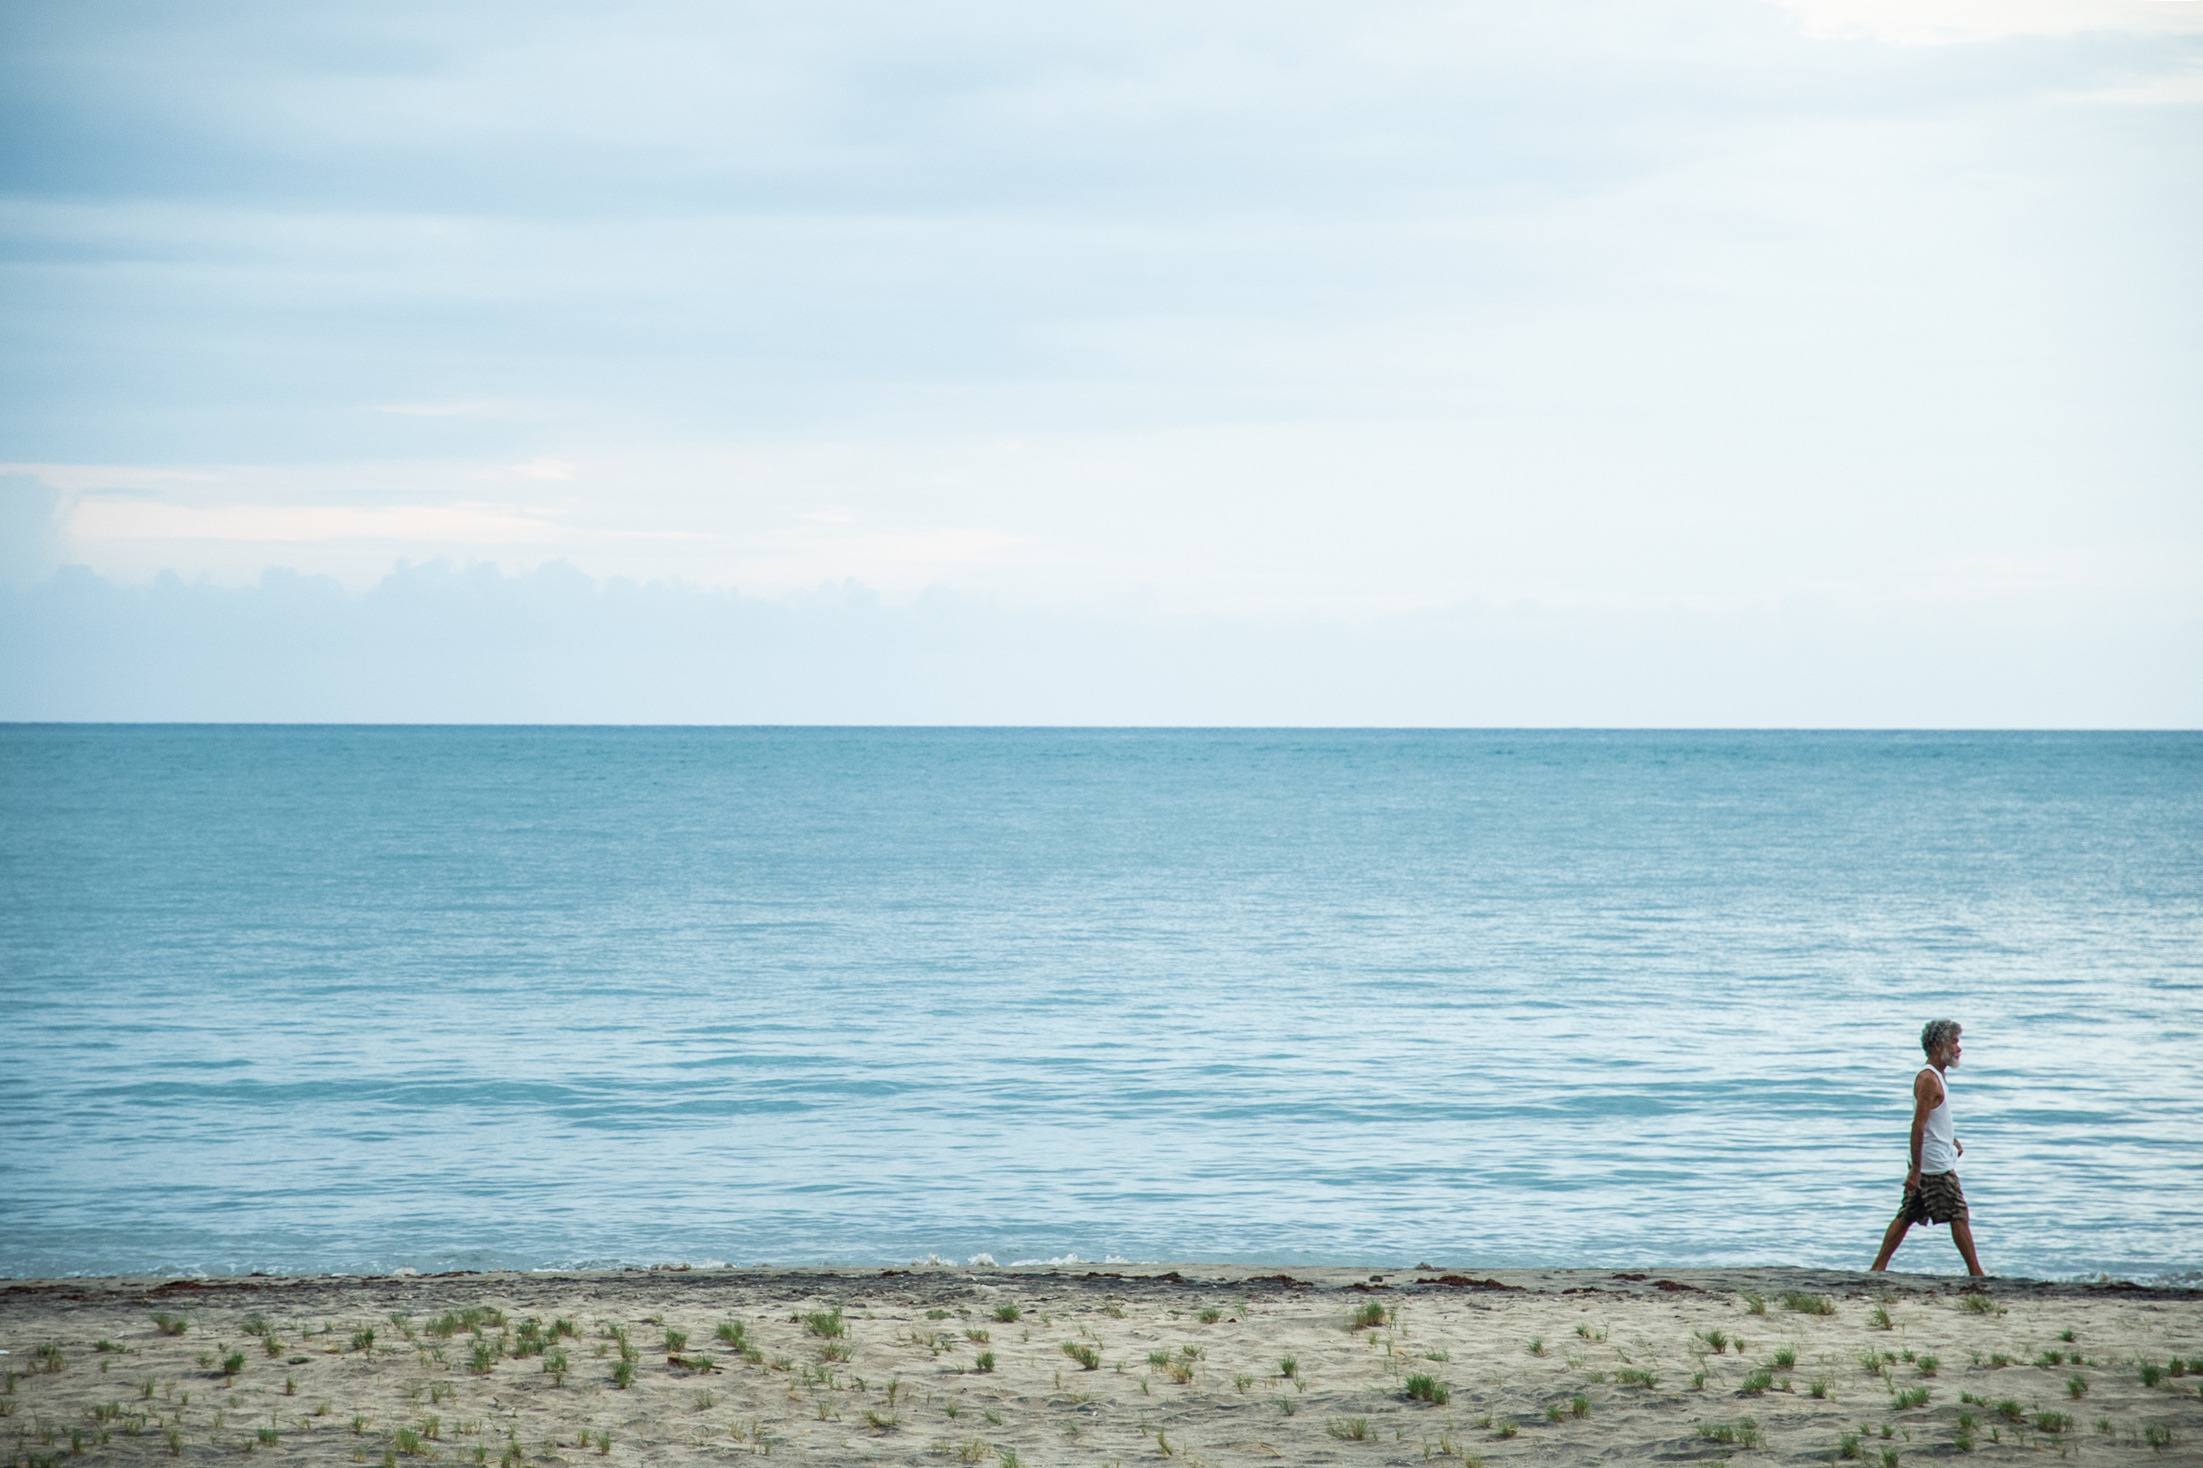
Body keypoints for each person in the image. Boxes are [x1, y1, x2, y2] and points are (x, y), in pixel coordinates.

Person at [1870, 1019, 1985, 1275]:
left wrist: (1950, 1138)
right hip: (1933, 1166)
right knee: (1958, 1214)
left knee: (1907, 1215)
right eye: (1954, 1042)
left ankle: (1877, 1269)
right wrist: (1916, 1170)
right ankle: (1977, 1274)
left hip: (1929, 1161)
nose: (1959, 1048)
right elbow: (1918, 1126)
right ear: (1937, 1045)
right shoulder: (1928, 1079)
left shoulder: (1938, 1077)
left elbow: (1934, 1121)